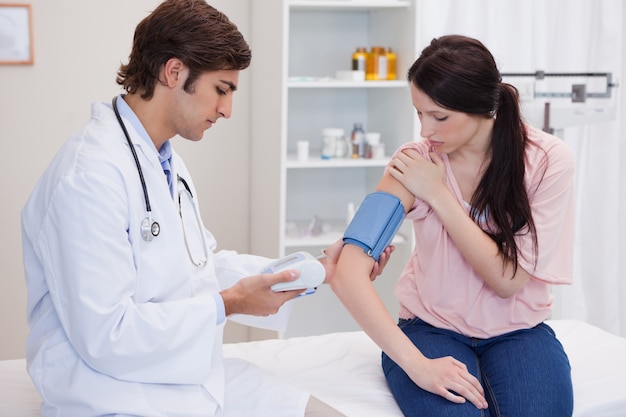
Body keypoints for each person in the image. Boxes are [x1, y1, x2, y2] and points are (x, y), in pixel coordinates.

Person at [20, 1, 392, 416]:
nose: (227, 110)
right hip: (109, 390)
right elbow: (108, 334)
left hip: (174, 374)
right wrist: (229, 303)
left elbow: (198, 269)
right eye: (222, 89)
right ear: (174, 72)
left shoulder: (163, 161)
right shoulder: (87, 176)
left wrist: (321, 270)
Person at [331, 34, 575, 417]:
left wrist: (439, 195)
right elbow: (347, 272)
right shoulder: (412, 161)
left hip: (519, 331)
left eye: (439, 116)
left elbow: (507, 280)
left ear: (483, 108)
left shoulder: (547, 161)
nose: (426, 131)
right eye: (419, 113)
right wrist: (418, 366)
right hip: (430, 328)